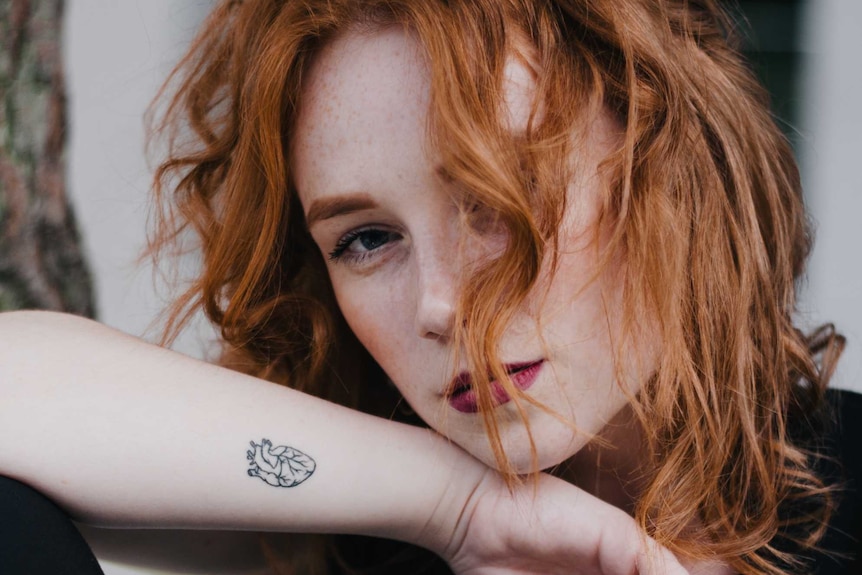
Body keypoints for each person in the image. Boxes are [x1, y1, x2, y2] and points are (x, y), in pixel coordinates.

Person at [0, 0, 859, 574]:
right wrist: (453, 509)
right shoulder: (359, 520)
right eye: (367, 239)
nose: (439, 304)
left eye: (494, 197)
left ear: (666, 163)